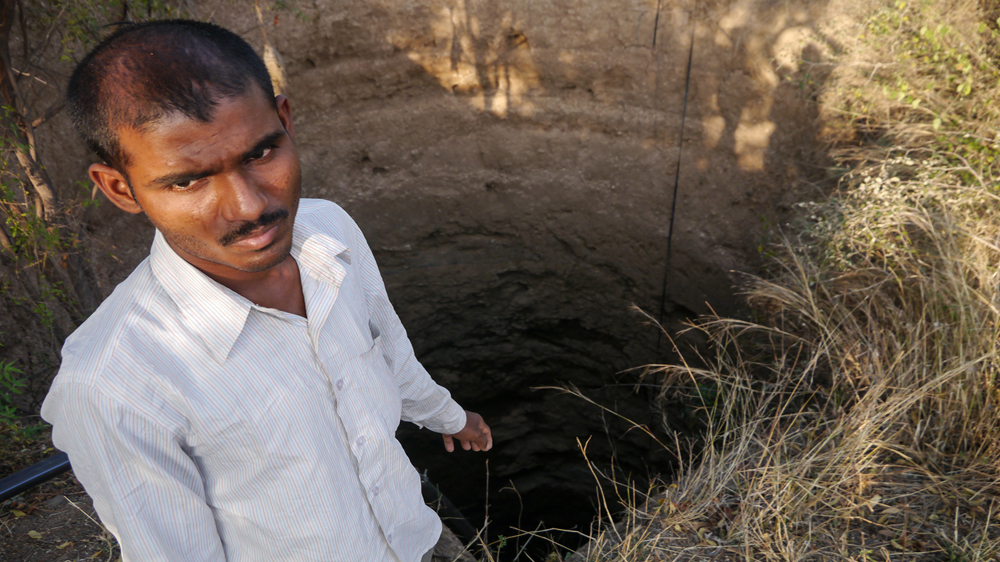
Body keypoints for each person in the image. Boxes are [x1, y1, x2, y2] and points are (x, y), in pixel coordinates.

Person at [40, 19, 492, 562]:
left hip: (418, 537)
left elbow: (387, 348)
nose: (250, 207)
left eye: (259, 154)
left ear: (284, 120)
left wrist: (449, 417)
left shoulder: (330, 230)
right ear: (120, 188)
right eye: (187, 180)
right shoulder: (114, 387)